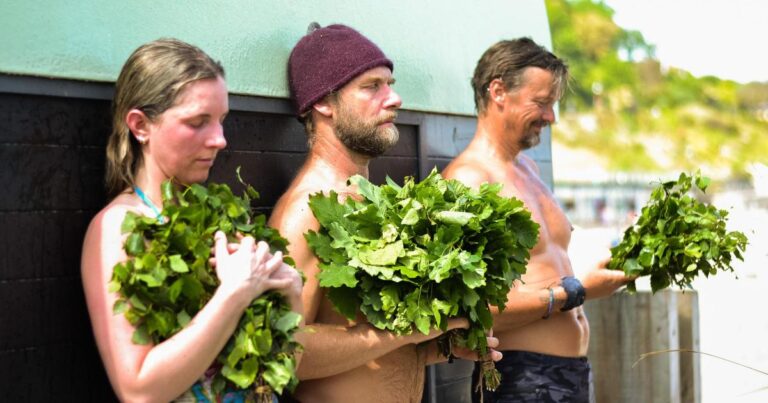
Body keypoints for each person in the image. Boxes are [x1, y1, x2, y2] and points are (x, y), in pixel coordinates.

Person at [269, 24, 500, 403]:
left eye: (389, 83)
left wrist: (435, 347)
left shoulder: (369, 199)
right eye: (372, 86)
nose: (394, 98)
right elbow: (284, 351)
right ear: (324, 103)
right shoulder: (305, 212)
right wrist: (407, 333)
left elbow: (367, 353)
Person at [80, 38, 303, 402]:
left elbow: (281, 370)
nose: (220, 140)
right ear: (140, 125)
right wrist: (235, 294)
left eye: (221, 121)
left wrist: (292, 294)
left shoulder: (219, 215)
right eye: (198, 122)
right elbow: (139, 391)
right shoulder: (116, 229)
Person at [442, 37, 634, 403]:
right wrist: (579, 291)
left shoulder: (527, 168)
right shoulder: (470, 181)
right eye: (542, 103)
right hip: (520, 381)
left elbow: (542, 268)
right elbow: (474, 312)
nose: (551, 117)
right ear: (498, 91)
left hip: (570, 375)